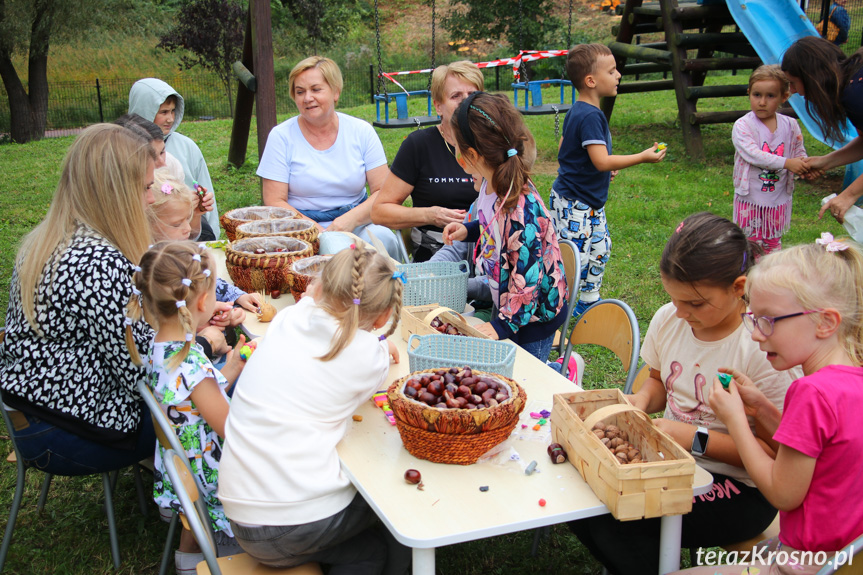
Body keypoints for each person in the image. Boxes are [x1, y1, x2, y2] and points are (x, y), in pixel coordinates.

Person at [569, 212, 797, 575]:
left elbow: (775, 454)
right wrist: (641, 401)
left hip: (741, 490)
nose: (680, 312)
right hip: (672, 460)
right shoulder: (669, 319)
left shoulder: (761, 350)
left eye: (695, 304)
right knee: (582, 500)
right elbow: (659, 382)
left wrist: (694, 439)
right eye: (673, 299)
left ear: (739, 288)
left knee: (615, 523)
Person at [671, 233, 863, 574]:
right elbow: (815, 452)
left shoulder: (811, 393)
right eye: (754, 318)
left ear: (825, 322)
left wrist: (736, 422)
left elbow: (782, 493)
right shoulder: (850, 382)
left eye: (768, 320)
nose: (757, 333)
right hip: (845, 557)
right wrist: (762, 410)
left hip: (807, 562)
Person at [218, 246, 411, 574]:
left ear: (320, 285)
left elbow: (312, 303)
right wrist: (382, 344)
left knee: (364, 542)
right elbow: (368, 359)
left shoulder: (289, 319)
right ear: (382, 318)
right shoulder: (367, 356)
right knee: (395, 508)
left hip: (239, 512)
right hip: (292, 522)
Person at [0, 124, 157, 474]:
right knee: (219, 395)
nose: (151, 198)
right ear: (116, 191)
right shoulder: (96, 262)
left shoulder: (52, 237)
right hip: (69, 430)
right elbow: (144, 373)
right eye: (145, 187)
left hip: (39, 412)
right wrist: (205, 344)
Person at [125, 241, 247, 574]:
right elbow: (232, 430)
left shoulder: (160, 345)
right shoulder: (193, 365)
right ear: (204, 301)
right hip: (215, 478)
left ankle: (188, 561)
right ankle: (225, 554)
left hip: (185, 467)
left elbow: (188, 400)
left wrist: (231, 369)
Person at [442, 92, 568, 362]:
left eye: (455, 147)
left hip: (533, 318)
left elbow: (527, 286)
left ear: (471, 156)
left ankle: (563, 371)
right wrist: (471, 230)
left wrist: (501, 326)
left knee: (528, 374)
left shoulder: (522, 213)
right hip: (511, 306)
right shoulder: (490, 184)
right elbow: (493, 224)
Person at [551, 43, 665, 317]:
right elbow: (600, 159)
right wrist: (641, 156)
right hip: (574, 202)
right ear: (591, 81)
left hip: (587, 201)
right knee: (574, 257)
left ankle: (588, 300)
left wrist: (598, 166)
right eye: (612, 71)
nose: (619, 76)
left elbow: (566, 150)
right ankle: (557, 306)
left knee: (601, 248)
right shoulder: (589, 115)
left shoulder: (580, 110)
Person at [258, 56, 400, 260]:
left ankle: (389, 290)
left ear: (335, 92)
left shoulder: (361, 131)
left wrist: (348, 220)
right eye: (300, 92)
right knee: (334, 249)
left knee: (384, 239)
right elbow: (274, 200)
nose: (307, 98)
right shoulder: (281, 137)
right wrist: (317, 230)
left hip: (357, 219)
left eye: (316, 89)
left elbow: (383, 192)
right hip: (301, 225)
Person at [372, 61, 484, 261]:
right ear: (438, 106)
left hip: (488, 250)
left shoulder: (492, 144)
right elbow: (380, 212)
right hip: (436, 258)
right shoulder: (419, 145)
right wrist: (430, 215)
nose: (466, 102)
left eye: (472, 95)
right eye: (456, 96)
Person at [147, 169, 261, 350]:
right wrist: (209, 315)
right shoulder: (155, 268)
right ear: (147, 225)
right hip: (194, 355)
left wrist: (238, 297)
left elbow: (210, 280)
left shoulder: (182, 251)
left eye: (188, 219)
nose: (187, 229)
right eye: (177, 224)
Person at [782, 37, 863, 224]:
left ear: (813, 78)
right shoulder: (852, 85)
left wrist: (848, 196)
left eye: (793, 82)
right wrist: (825, 162)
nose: (793, 90)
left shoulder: (856, 95)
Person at [732, 65, 810, 255]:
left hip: (778, 198)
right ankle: (750, 278)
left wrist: (806, 166)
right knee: (750, 243)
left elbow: (799, 151)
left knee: (773, 243)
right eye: (757, 95)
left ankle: (770, 277)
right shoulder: (743, 126)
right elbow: (753, 154)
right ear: (749, 93)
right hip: (750, 198)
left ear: (784, 97)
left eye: (770, 96)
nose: (762, 102)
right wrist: (787, 163)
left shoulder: (791, 126)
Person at [128, 78, 218, 241]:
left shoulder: (185, 147)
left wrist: (201, 209)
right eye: (163, 112)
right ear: (144, 110)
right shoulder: (124, 150)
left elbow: (204, 188)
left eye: (172, 111)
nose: (170, 119)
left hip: (188, 228)